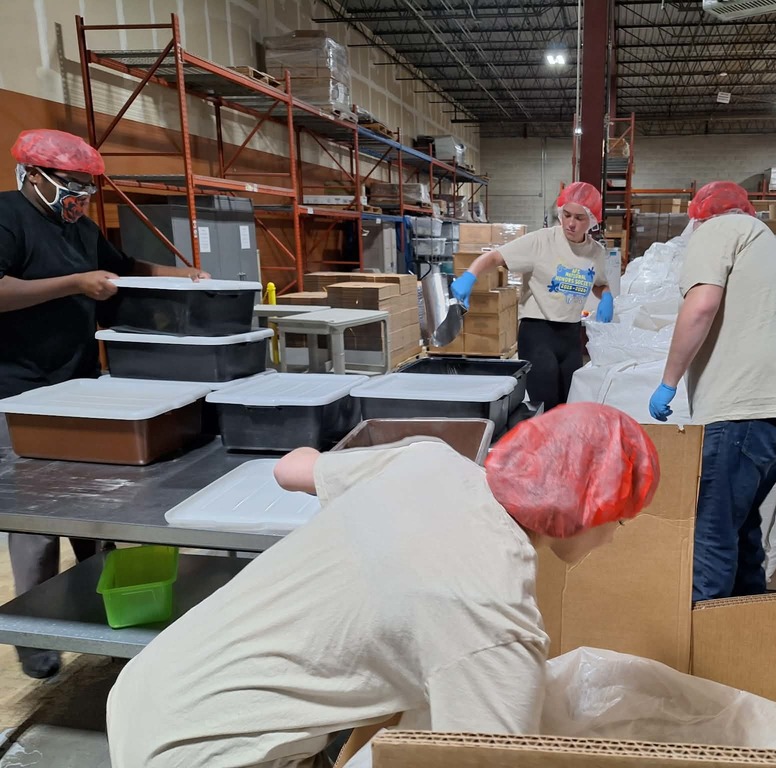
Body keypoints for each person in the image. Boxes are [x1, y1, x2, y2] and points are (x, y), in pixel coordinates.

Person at [106, 402, 660, 768]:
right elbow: (494, 757)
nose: (615, 537)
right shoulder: (495, 619)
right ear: (585, 511)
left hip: (150, 688)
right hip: (205, 755)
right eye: (621, 516)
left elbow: (288, 471)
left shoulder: (430, 463)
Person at [0, 128, 208, 679]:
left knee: (92, 506)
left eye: (85, 189)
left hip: (79, 383)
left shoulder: (80, 228)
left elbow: (127, 269)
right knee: (36, 516)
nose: (77, 198)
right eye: (69, 186)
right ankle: (37, 636)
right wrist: (72, 283)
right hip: (17, 390)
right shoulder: (6, 218)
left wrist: (184, 276)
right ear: (33, 176)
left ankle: (97, 607)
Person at [648, 181, 776, 602]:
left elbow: (701, 305)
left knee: (713, 532)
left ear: (699, 215)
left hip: (742, 410)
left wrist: (668, 382)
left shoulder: (718, 231)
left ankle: (700, 648)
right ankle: (744, 634)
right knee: (741, 529)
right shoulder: (765, 244)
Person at [449, 181, 614, 412]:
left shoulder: (595, 252)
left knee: (569, 403)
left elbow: (599, 283)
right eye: (566, 215)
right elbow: (495, 257)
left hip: (570, 335)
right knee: (545, 404)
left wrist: (606, 296)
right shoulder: (541, 241)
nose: (571, 223)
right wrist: (470, 275)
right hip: (538, 332)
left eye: (579, 218)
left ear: (592, 221)